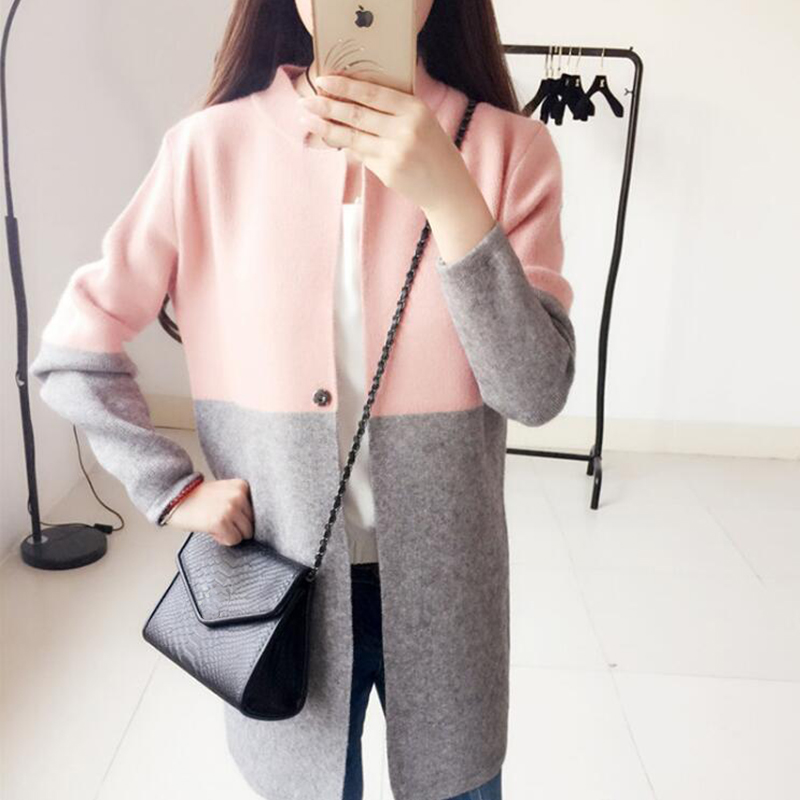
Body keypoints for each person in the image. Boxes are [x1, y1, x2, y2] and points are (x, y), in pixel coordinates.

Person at [29, 1, 576, 798]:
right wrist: (170, 489)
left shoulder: (508, 150)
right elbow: (74, 354)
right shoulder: (206, 151)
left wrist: (452, 197)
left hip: (450, 593)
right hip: (276, 589)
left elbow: (534, 392)